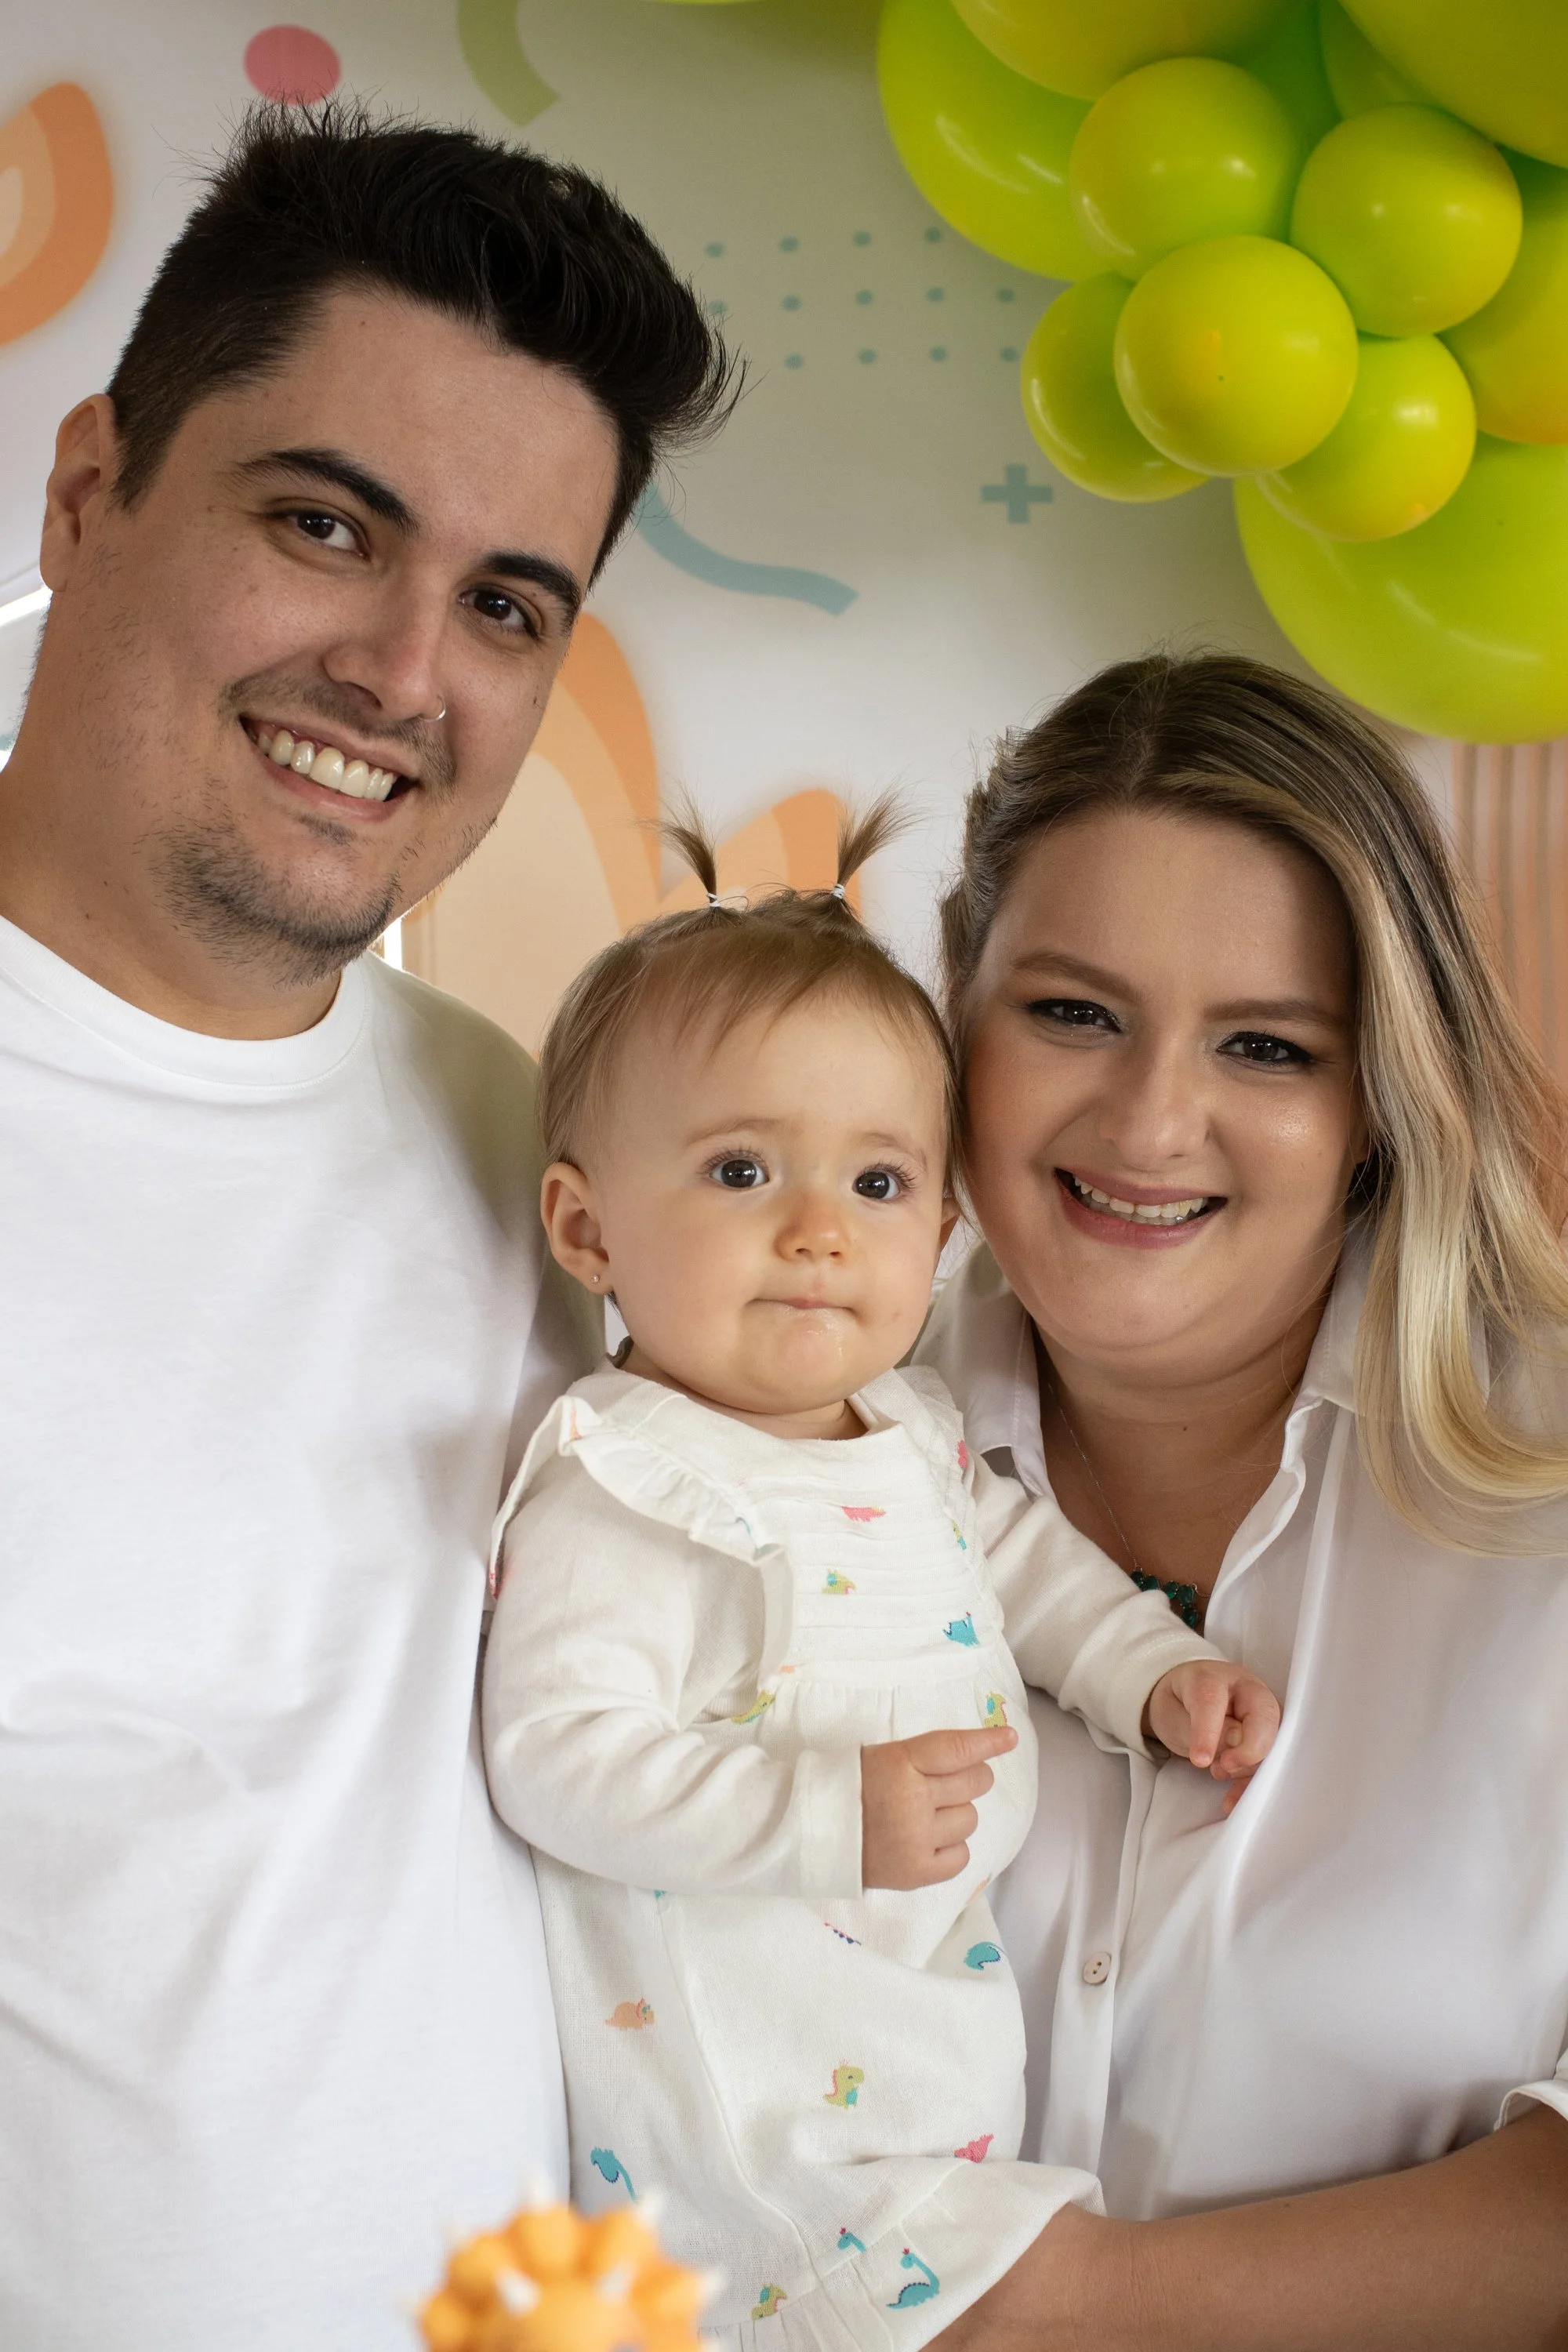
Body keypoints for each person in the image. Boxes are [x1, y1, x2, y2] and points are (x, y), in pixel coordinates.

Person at [0, 103, 734, 2352]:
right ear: (93, 483)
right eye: (329, 526)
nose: (407, 675)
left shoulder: (527, 1152)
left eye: (510, 607)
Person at [480, 806, 1278, 2348]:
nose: (814, 1234)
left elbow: (1026, 1566)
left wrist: (1141, 1672)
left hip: (927, 2040)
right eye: (737, 1170)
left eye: (877, 1186)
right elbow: (556, 1757)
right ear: (586, 1229)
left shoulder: (911, 1435)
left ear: (941, 1228)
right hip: (748, 2124)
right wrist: (824, 1813)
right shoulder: (631, 1477)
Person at [911, 654, 1568, 2350]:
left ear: (1373, 1106)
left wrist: (1089, 2307)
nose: (1147, 1122)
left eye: (1266, 1045)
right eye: (1070, 1012)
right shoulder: (756, 1443)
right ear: (952, 1010)